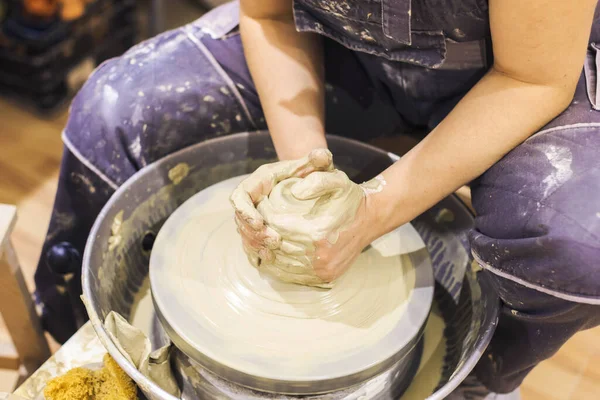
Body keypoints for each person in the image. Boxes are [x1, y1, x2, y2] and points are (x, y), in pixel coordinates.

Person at [36, 0, 600, 397]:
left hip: (518, 71)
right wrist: (304, 179)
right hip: (338, 48)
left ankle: (472, 383)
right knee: (115, 115)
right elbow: (269, 13)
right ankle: (88, 362)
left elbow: (532, 78)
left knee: (582, 248)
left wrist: (375, 208)